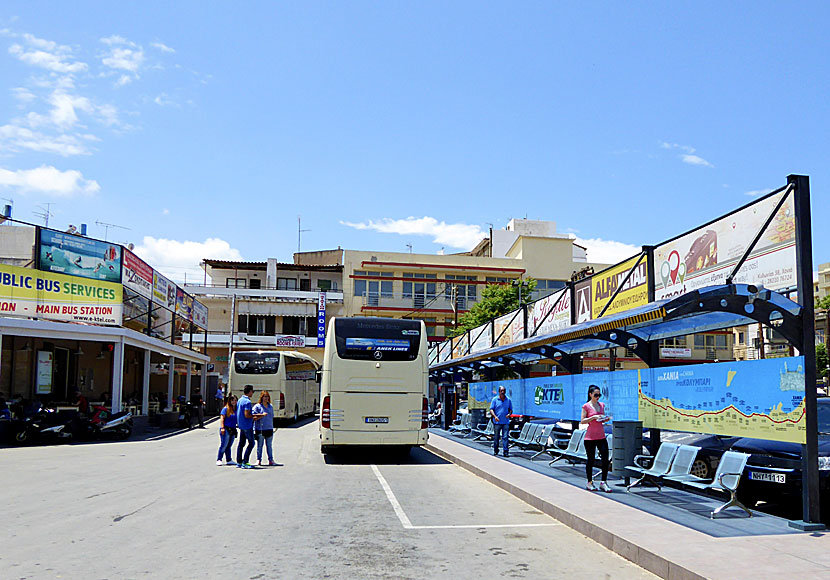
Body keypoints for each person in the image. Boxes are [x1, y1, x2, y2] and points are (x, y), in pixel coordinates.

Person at [581, 385, 611, 492]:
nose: (598, 397)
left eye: (599, 395)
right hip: (590, 437)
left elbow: (601, 420)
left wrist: (604, 419)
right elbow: (582, 421)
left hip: (601, 436)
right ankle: (589, 482)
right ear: (590, 395)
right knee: (591, 459)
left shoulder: (601, 405)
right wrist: (593, 417)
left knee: (605, 459)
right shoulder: (586, 406)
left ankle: (604, 482)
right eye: (595, 395)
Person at [252, 391, 277, 466]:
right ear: (261, 397)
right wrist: (262, 415)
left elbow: (271, 417)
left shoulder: (270, 406)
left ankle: (271, 460)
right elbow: (254, 417)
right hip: (260, 429)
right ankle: (258, 460)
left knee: (269, 445)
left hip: (269, 428)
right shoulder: (257, 406)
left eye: (267, 397)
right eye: (265, 396)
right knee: (260, 446)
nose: (266, 398)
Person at [235, 385, 256, 468]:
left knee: (241, 443)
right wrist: (254, 416)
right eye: (252, 392)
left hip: (241, 424)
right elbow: (247, 414)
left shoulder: (240, 400)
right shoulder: (247, 402)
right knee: (251, 443)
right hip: (247, 425)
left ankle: (239, 461)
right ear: (249, 391)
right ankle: (245, 461)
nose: (252, 393)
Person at [489, 385, 513, 457]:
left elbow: (511, 410)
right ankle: (496, 450)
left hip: (505, 422)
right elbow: (491, 409)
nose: (503, 392)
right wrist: (495, 416)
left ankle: (505, 451)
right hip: (497, 422)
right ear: (499, 392)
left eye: (504, 391)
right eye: (501, 391)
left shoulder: (508, 400)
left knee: (505, 437)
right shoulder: (495, 400)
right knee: (496, 437)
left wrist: (509, 414)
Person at [216, 395, 238, 466]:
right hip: (226, 428)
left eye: (235, 400)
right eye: (232, 400)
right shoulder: (226, 409)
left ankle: (229, 459)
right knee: (224, 445)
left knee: (229, 445)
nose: (234, 402)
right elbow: (222, 418)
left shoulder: (237, 409)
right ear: (229, 401)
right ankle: (219, 459)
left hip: (233, 429)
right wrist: (222, 428)